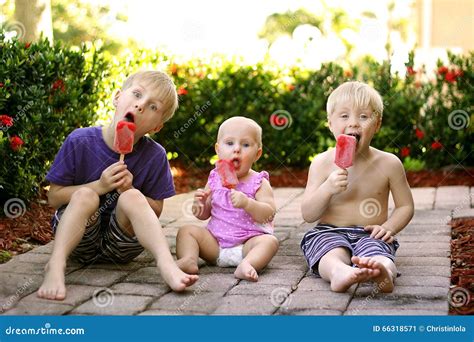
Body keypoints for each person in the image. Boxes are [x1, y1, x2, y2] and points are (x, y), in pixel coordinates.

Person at [37, 71, 198, 300]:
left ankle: (167, 265)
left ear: (157, 127)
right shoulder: (79, 140)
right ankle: (55, 265)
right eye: (137, 94)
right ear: (116, 97)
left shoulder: (155, 155)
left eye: (153, 107)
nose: (141, 105)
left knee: (132, 198)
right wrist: (99, 185)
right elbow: (54, 197)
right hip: (78, 242)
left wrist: (129, 190)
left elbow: (157, 210)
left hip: (122, 247)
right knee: (86, 195)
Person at [300, 81, 414, 293]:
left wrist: (389, 228)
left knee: (379, 253)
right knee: (329, 252)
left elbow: (405, 206)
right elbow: (308, 213)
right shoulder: (321, 163)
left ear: (377, 124)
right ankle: (339, 272)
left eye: (363, 117)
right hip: (329, 231)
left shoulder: (389, 163)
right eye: (344, 116)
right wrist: (327, 189)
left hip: (370, 233)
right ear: (330, 123)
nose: (353, 123)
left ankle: (384, 273)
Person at [176, 116, 279, 282]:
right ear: (218, 150)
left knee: (270, 242)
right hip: (215, 245)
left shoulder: (259, 182)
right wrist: (200, 204)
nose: (236, 149)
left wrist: (248, 203)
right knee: (186, 231)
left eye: (245, 145)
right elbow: (203, 215)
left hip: (247, 245)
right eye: (230, 143)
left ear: (257, 154)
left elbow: (269, 214)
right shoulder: (215, 178)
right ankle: (189, 260)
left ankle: (247, 264)